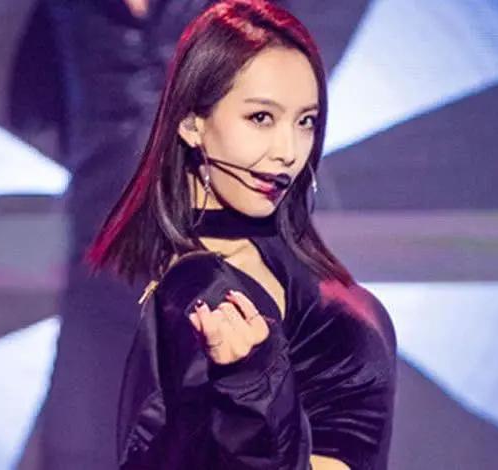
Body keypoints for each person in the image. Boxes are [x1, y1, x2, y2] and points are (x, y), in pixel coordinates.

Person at [87, 1, 396, 469]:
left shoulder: (266, 256)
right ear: (191, 122)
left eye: (306, 121)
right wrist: (251, 386)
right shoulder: (204, 289)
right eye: (261, 118)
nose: (289, 151)